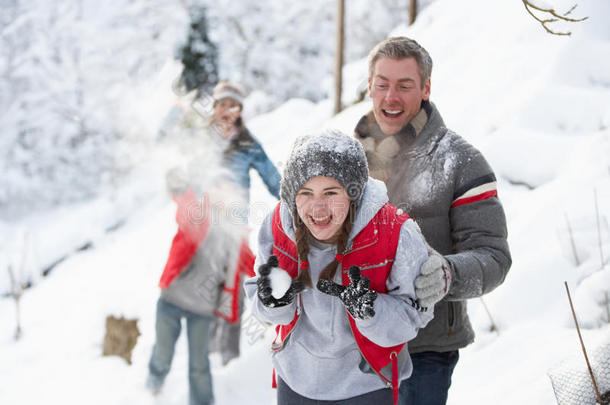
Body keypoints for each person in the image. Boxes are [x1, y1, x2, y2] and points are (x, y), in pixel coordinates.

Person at [354, 36, 512, 405]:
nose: (391, 97)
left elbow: (494, 257)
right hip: (353, 343)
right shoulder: (348, 159)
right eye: (382, 84)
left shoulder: (460, 162)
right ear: (370, 87)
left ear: (425, 88)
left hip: (422, 350)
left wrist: (447, 275)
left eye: (405, 85)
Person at [245, 130, 435, 405]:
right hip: (295, 381)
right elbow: (259, 295)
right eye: (305, 193)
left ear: (353, 194)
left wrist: (371, 311)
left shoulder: (395, 232)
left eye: (331, 192)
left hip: (365, 387)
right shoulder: (279, 225)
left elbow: (415, 316)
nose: (317, 207)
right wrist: (273, 302)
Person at [146, 80, 281, 405]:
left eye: (234, 106)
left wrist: (299, 200)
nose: (227, 111)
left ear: (239, 112)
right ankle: (200, 354)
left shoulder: (247, 143)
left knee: (231, 293)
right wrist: (175, 112)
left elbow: (272, 177)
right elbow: (163, 142)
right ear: (215, 107)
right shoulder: (198, 137)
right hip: (199, 218)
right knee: (197, 277)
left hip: (233, 226)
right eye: (222, 104)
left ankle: (227, 362)